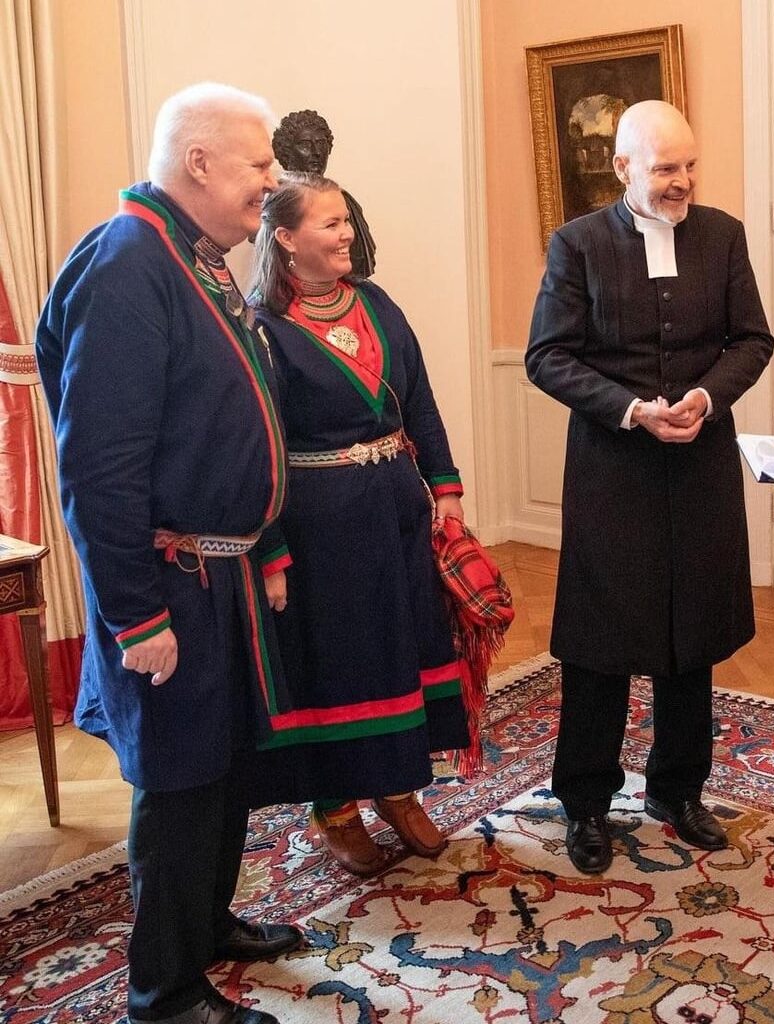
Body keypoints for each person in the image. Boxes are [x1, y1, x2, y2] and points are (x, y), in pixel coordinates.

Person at [35, 84, 300, 1024]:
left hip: (219, 572)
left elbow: (232, 417)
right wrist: (135, 615)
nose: (272, 184)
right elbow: (99, 469)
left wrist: (260, 542)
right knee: (180, 787)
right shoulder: (127, 264)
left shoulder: (192, 256)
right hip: (167, 586)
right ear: (199, 163)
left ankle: (209, 922)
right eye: (259, 164)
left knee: (218, 766)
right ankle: (164, 991)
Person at [525, 100, 774, 875]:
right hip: (613, 468)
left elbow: (752, 339)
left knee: (689, 633)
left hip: (698, 463)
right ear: (623, 167)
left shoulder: (723, 235)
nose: (683, 182)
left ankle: (678, 788)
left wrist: (706, 397)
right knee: (600, 643)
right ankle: (587, 803)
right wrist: (631, 409)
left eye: (690, 165)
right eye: (667, 168)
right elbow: (547, 356)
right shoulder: (578, 245)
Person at [247, 171, 470, 874]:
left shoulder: (377, 303)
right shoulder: (261, 327)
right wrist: (273, 546)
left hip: (396, 511)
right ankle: (337, 807)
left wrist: (445, 489)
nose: (347, 234)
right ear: (284, 238)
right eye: (329, 224)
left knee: (398, 648)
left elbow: (421, 401)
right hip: (320, 528)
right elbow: (260, 449)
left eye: (347, 220)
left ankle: (398, 789)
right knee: (339, 665)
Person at [271, 109, 376, 279]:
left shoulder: (345, 201)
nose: (316, 152)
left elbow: (361, 263)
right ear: (287, 151)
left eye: (321, 144)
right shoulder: (272, 206)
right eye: (305, 145)